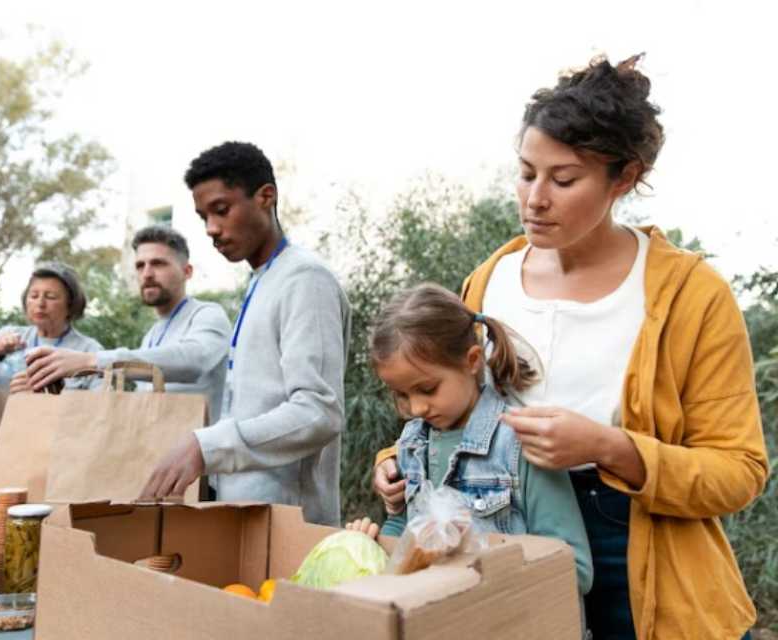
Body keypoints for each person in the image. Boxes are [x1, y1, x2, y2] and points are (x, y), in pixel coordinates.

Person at [371, 55, 768, 640]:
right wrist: (395, 463)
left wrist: (609, 447)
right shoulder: (489, 280)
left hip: (639, 551)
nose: (535, 198)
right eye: (527, 172)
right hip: (505, 541)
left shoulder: (690, 295)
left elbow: (739, 472)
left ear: (624, 178)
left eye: (563, 180)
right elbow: (456, 409)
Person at [139, 141, 351, 526]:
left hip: (291, 527)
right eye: (203, 216)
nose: (211, 230)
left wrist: (207, 446)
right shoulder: (262, 281)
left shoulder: (305, 280)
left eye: (221, 210)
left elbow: (319, 412)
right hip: (247, 516)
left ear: (265, 197)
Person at [346, 283, 593, 597]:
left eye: (427, 389)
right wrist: (371, 546)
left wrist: (472, 562)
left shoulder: (523, 446)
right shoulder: (410, 443)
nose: (417, 408)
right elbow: (406, 529)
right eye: (401, 395)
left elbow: (576, 570)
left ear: (472, 360)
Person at [23, 226, 231, 422]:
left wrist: (92, 361)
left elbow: (193, 361)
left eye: (158, 263)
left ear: (187, 271)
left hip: (199, 453)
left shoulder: (207, 314)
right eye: (140, 266)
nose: (147, 274)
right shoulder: (152, 334)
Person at [0, 262, 102, 392]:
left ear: (71, 305)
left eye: (50, 297)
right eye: (34, 296)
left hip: (54, 436)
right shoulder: (9, 337)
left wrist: (49, 394)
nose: (40, 304)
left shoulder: (88, 350)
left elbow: (100, 406)